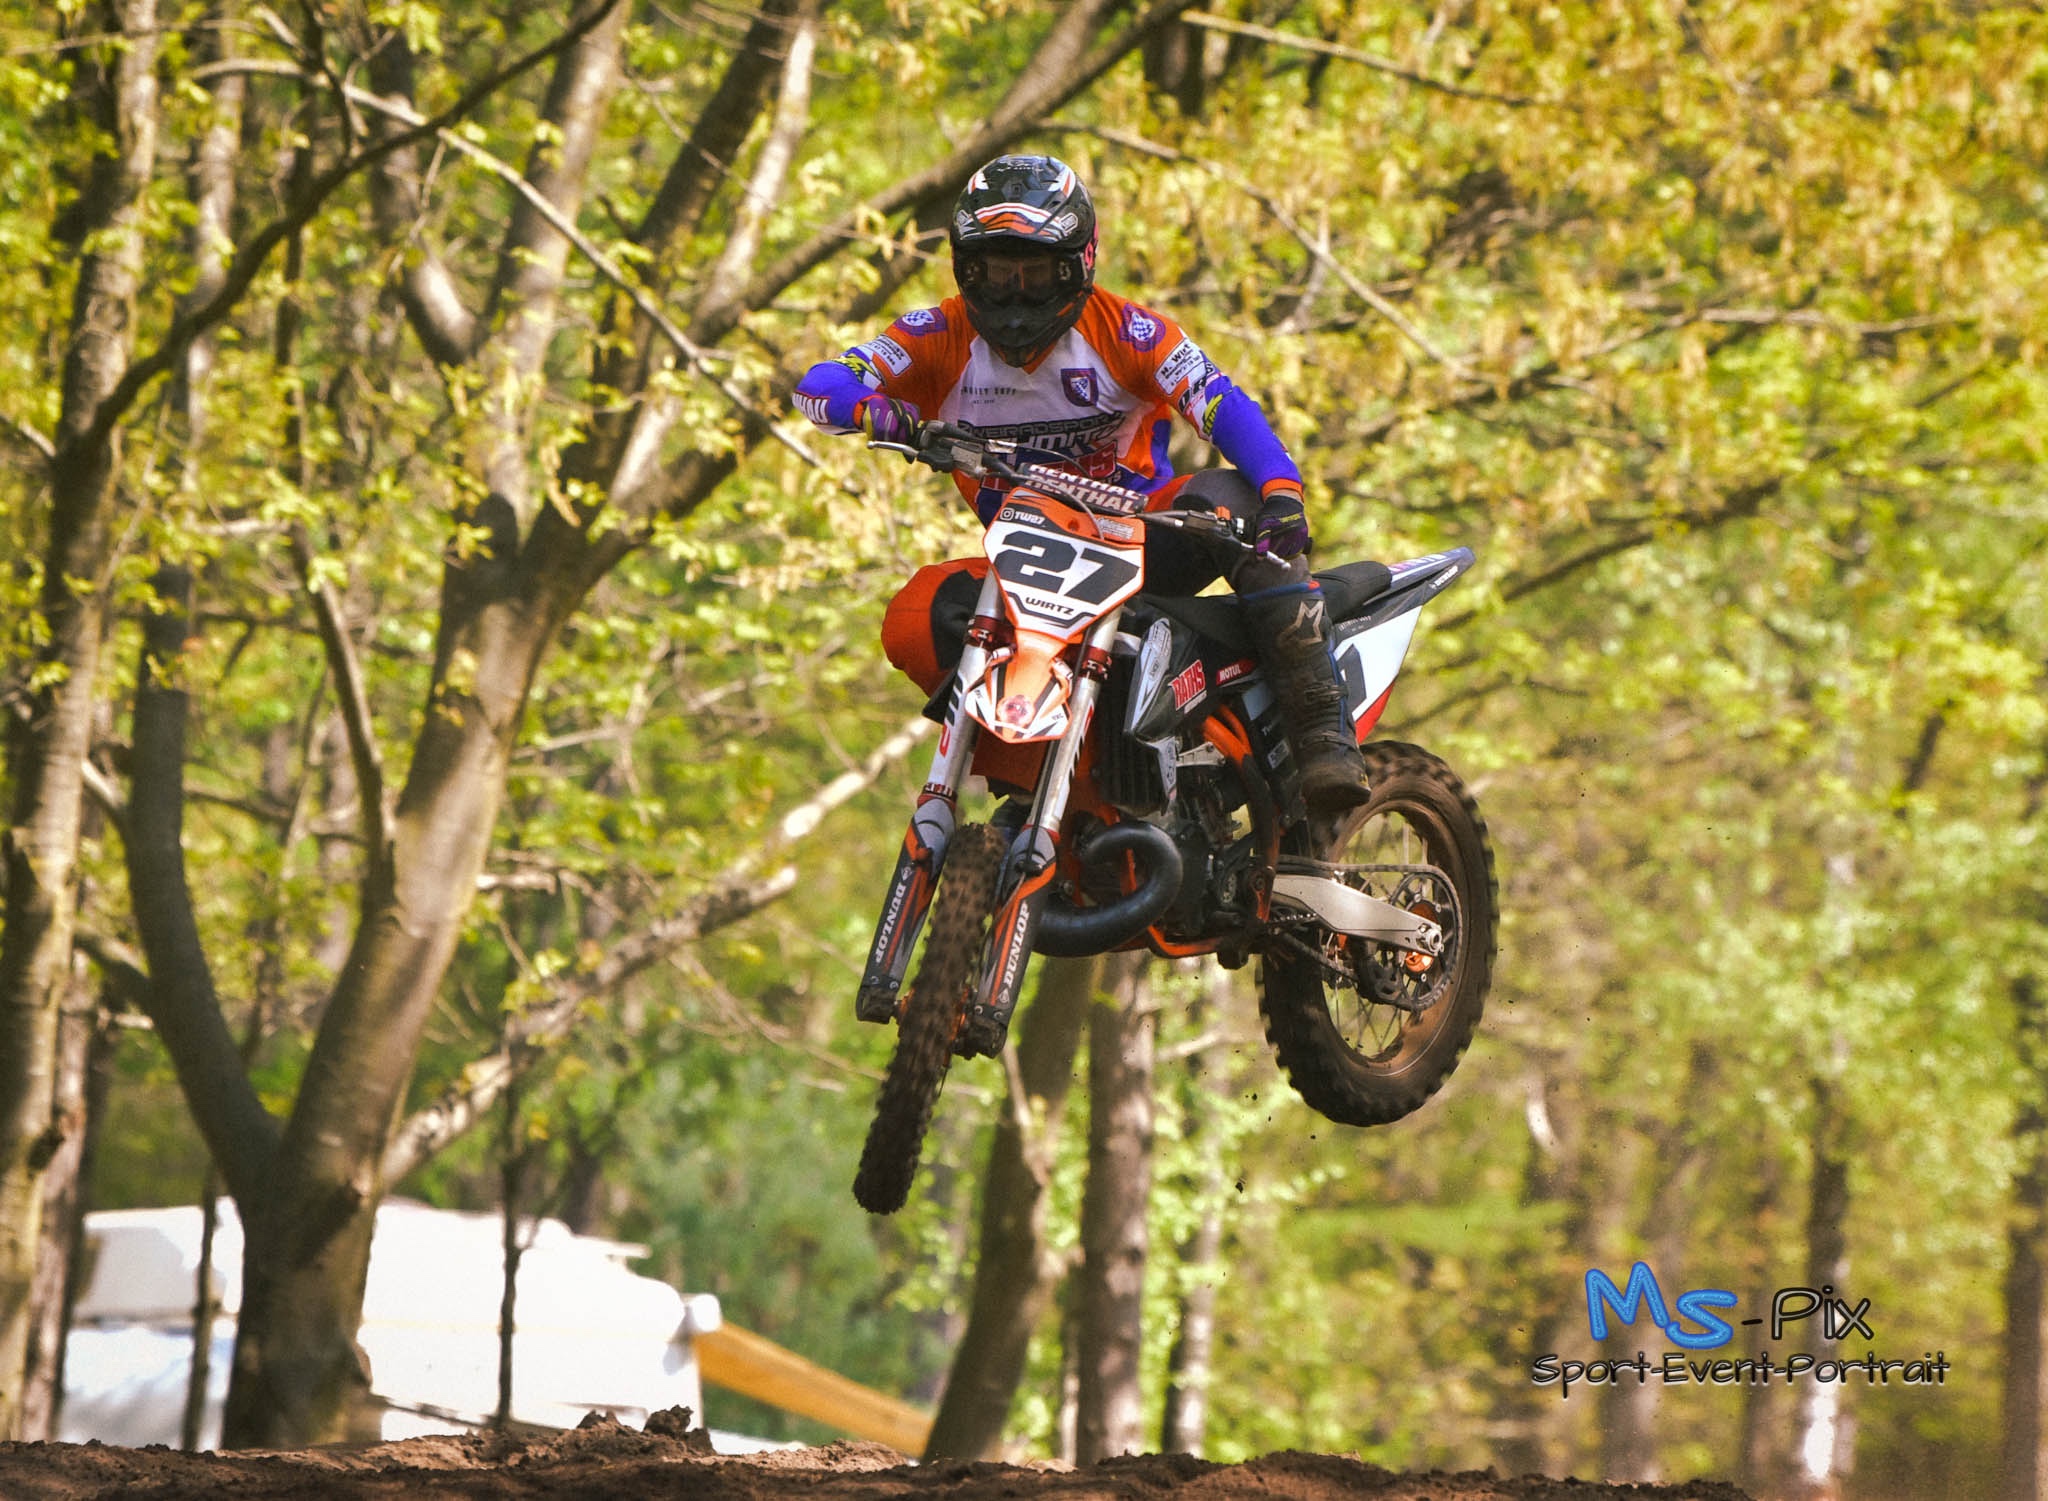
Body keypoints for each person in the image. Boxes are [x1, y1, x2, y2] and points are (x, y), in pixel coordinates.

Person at [792, 154, 1369, 817]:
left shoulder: (1131, 332)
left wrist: (1282, 490)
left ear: (1077, 265)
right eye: (996, 272)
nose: (1014, 294)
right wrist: (871, 408)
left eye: (1035, 272)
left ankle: (1320, 727)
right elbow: (818, 386)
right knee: (915, 618)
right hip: (1029, 562)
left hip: (1146, 538)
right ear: (964, 268)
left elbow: (1219, 402)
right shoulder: (936, 335)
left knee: (1231, 497)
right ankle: (1041, 780)